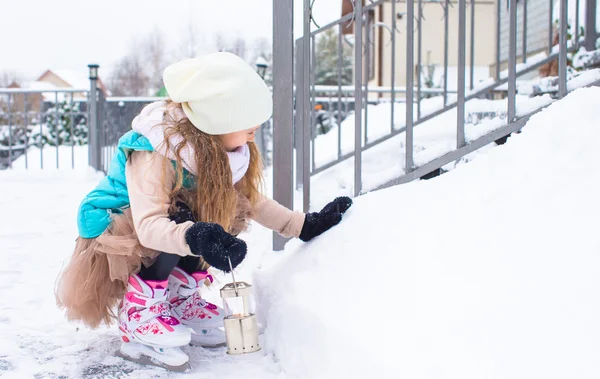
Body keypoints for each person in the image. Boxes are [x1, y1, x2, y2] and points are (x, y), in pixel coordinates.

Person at [55, 52, 352, 370]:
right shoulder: (156, 149)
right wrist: (198, 236)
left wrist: (301, 225)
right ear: (215, 118)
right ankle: (139, 312)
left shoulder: (219, 147)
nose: (253, 130)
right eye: (244, 122)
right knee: (186, 218)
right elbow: (150, 224)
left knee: (220, 208)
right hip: (118, 223)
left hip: (168, 218)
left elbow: (249, 200)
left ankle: (179, 297)